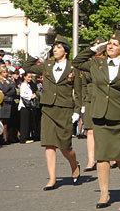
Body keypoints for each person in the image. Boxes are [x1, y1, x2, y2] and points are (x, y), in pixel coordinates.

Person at [73, 32, 120, 208]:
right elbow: (77, 62)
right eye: (109, 44)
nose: (110, 46)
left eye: (115, 44)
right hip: (101, 115)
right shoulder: (97, 63)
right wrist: (94, 49)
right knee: (102, 156)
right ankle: (104, 194)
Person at [23, 35, 81, 191]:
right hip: (48, 108)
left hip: (65, 109)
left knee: (65, 146)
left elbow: (80, 92)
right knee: (49, 145)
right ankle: (52, 179)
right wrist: (35, 56)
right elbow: (27, 67)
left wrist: (78, 111)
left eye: (59, 47)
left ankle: (74, 165)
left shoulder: (73, 68)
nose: (55, 50)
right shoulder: (47, 65)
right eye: (54, 47)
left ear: (66, 51)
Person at [79, 37, 105, 172]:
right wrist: (82, 103)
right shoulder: (87, 64)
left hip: (104, 98)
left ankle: (109, 157)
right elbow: (83, 85)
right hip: (90, 99)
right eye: (95, 47)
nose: (97, 50)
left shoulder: (107, 63)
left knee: (105, 130)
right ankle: (91, 160)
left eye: (99, 47)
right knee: (90, 131)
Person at [0, 64, 18, 144]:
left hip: (10, 102)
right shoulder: (0, 81)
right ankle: (3, 138)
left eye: (6, 72)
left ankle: (9, 137)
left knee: (10, 121)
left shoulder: (9, 80)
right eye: (4, 72)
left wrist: (9, 89)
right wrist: (8, 85)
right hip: (4, 103)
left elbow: (13, 91)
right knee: (4, 121)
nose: (6, 74)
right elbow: (3, 89)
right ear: (1, 73)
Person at [18, 72, 37, 144]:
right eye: (28, 77)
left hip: (28, 106)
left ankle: (27, 137)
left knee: (28, 121)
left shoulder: (28, 85)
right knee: (24, 123)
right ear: (24, 77)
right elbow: (22, 94)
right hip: (24, 106)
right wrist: (30, 96)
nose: (30, 79)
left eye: (31, 77)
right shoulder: (23, 85)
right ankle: (23, 138)